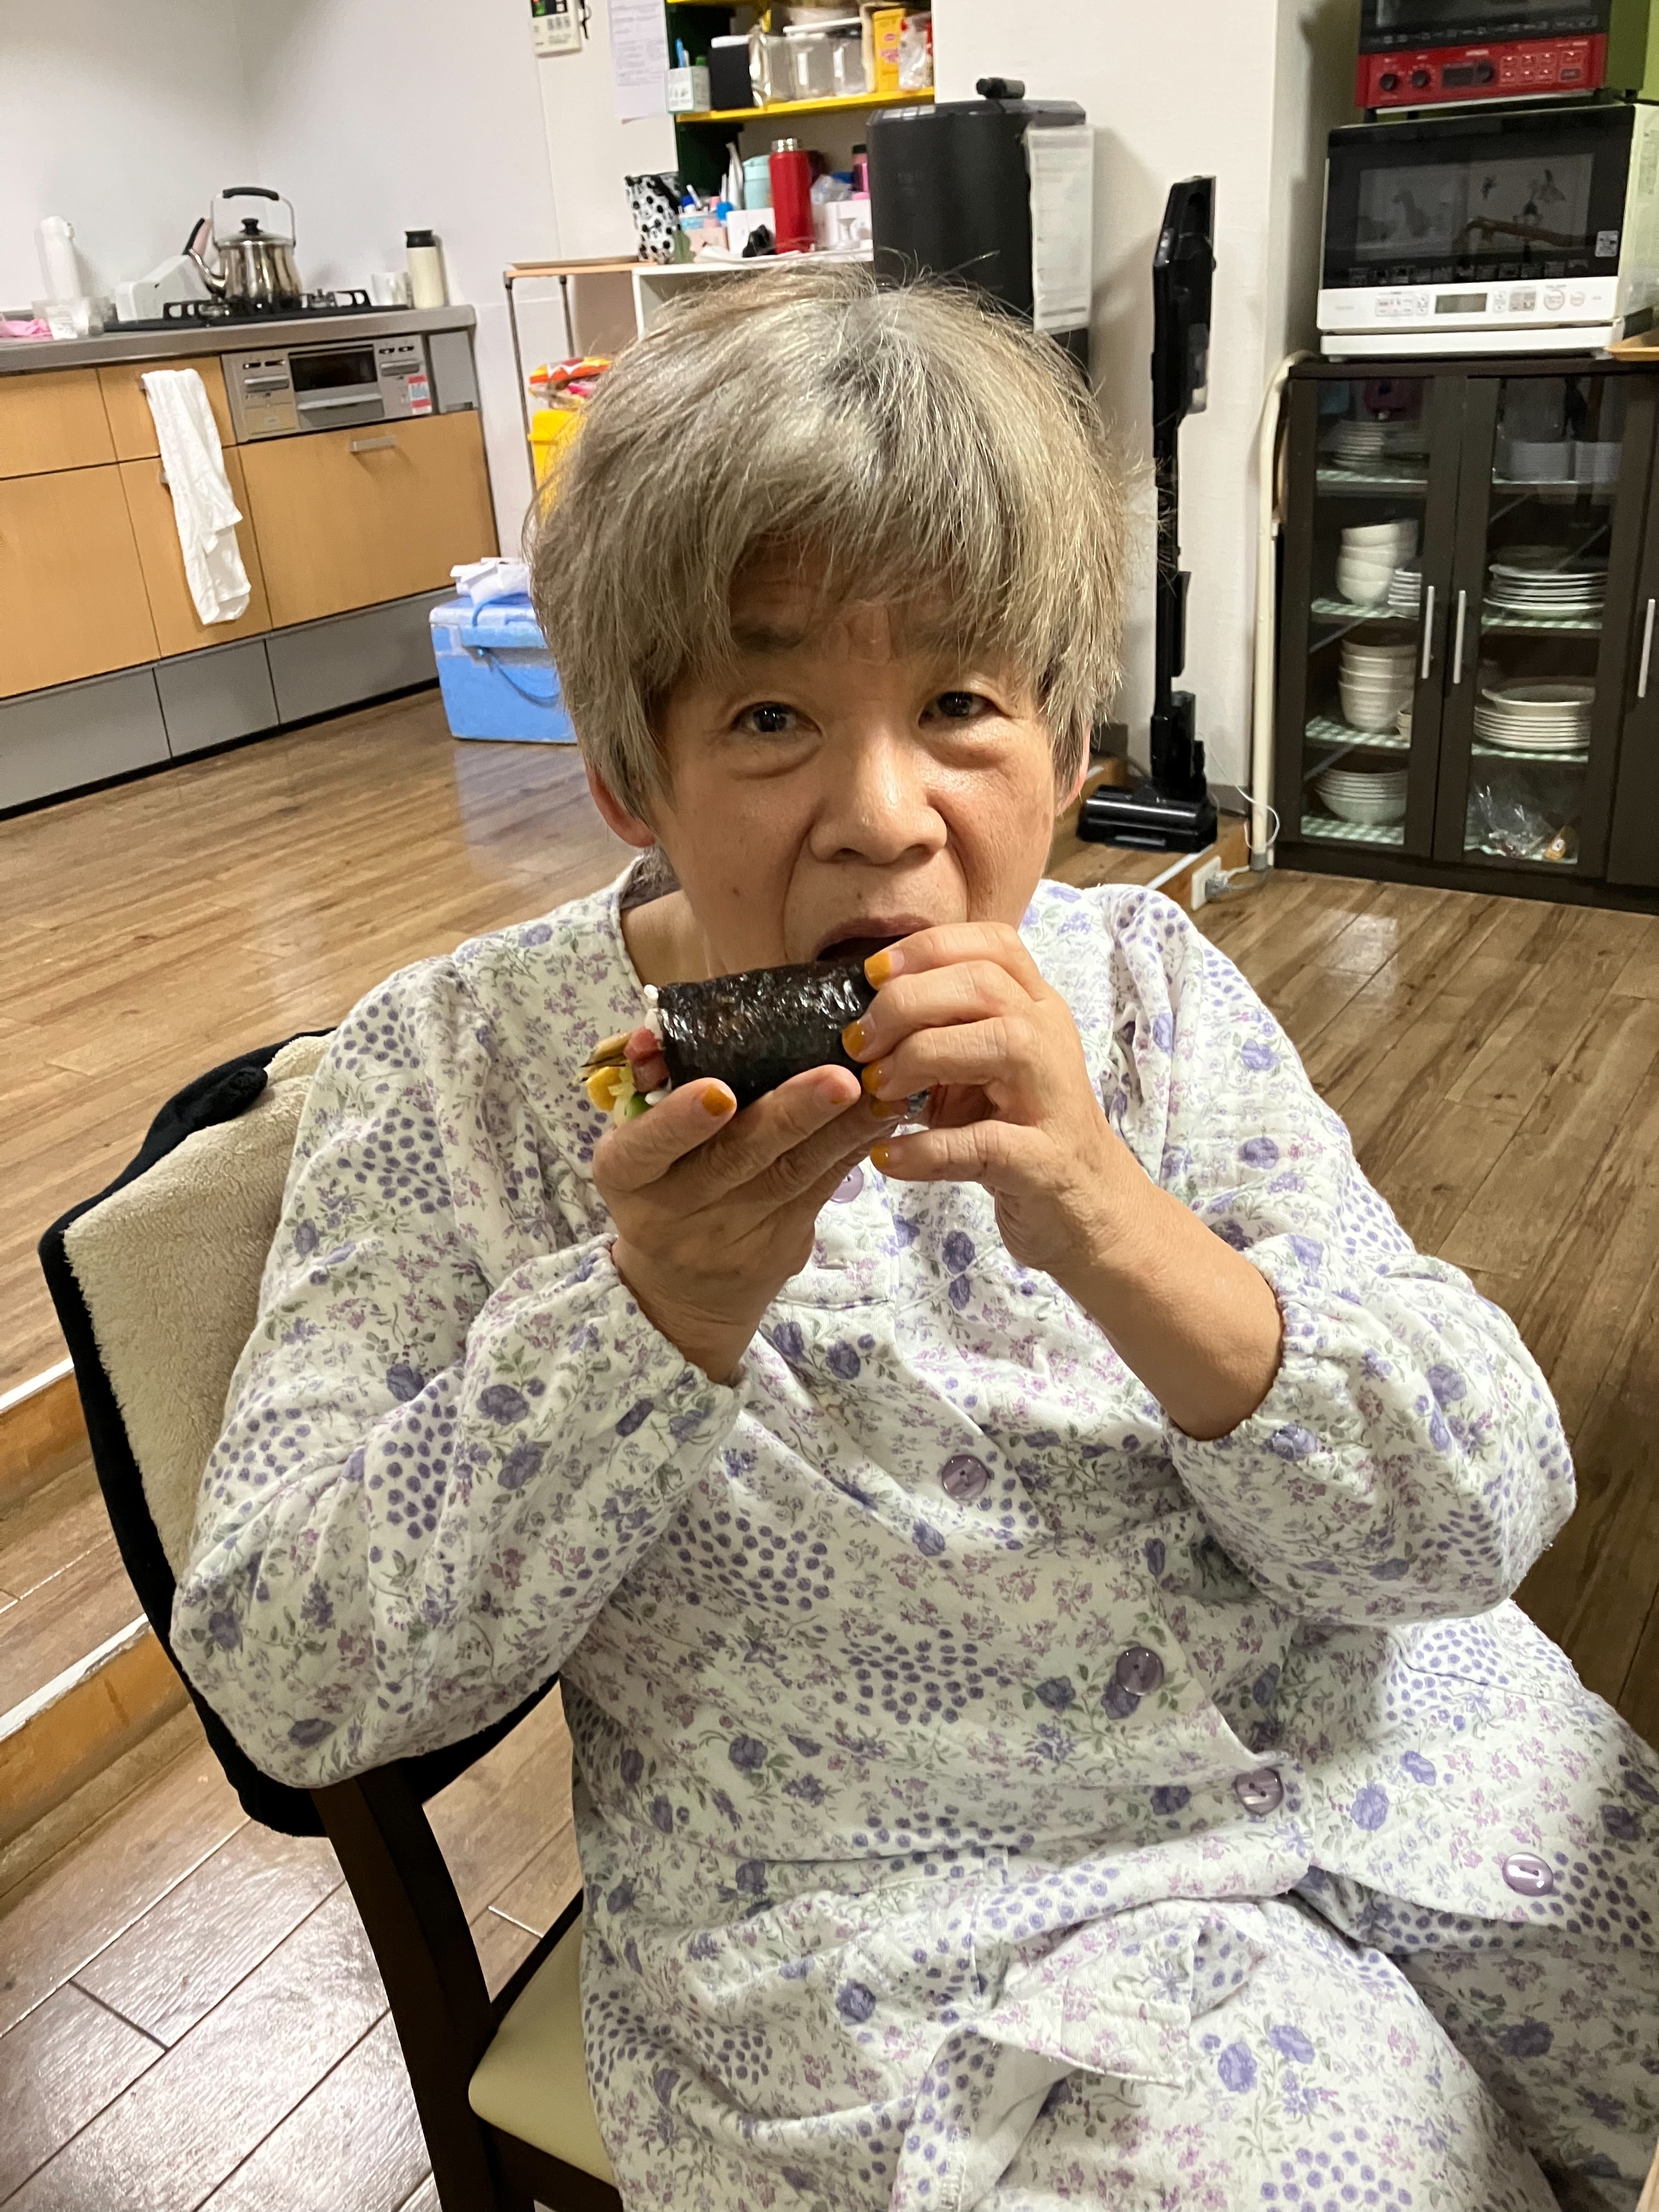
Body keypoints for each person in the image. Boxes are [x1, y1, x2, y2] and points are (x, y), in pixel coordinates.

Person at [173, 268, 1659, 2211]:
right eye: (770, 714)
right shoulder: (456, 1078)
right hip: (921, 1952)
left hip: (1385, 1770)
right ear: (628, 773)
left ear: (1068, 747)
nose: (885, 818)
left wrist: (1109, 1216)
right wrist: (647, 1317)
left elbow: (1481, 1508)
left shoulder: (1150, 994)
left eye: (961, 704)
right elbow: (283, 1675)